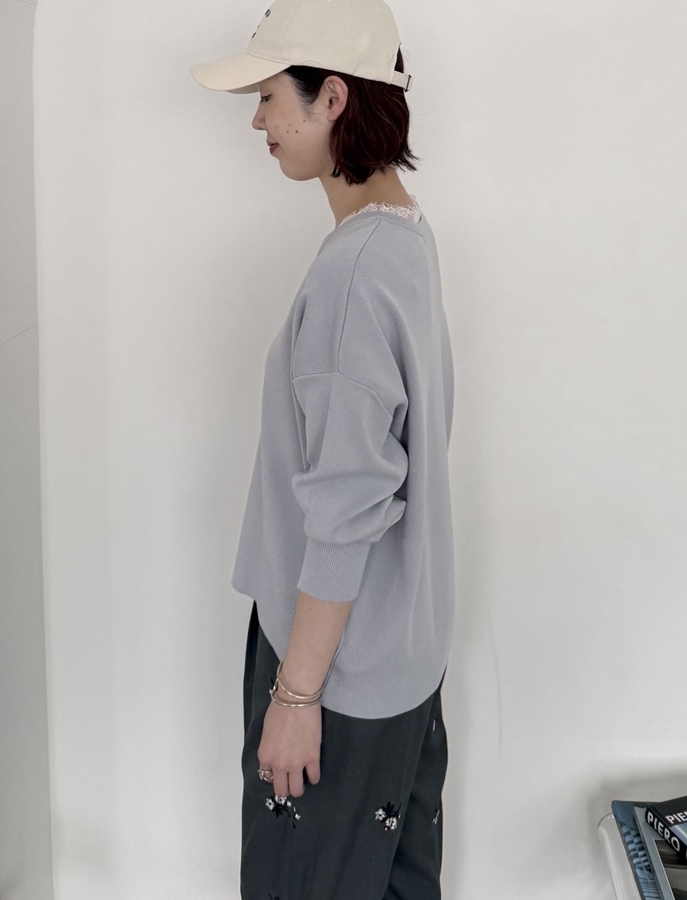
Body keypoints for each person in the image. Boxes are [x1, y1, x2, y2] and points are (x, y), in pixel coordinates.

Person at [191, 1, 456, 897]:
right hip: (400, 659)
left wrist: (295, 697)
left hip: (336, 677)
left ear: (333, 98)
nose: (258, 120)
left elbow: (346, 510)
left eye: (270, 96)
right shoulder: (405, 238)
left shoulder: (352, 277)